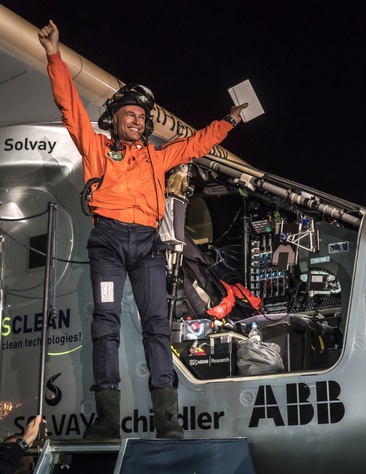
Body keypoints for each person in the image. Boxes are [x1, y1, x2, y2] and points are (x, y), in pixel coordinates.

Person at [38, 20, 248, 440]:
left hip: (148, 246)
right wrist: (53, 56)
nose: (137, 120)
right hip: (109, 245)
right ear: (114, 120)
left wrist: (228, 120)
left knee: (157, 323)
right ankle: (108, 421)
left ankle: (167, 421)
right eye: (129, 115)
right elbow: (70, 108)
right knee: (105, 324)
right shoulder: (97, 148)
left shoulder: (157, 157)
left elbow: (197, 144)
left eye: (141, 116)